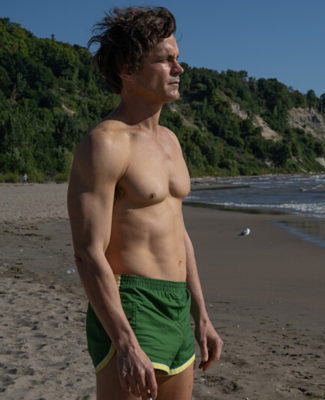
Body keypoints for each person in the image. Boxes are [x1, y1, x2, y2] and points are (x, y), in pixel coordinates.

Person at [67, 7, 223, 400]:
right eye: (165, 59)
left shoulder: (171, 141)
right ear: (128, 69)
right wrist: (125, 342)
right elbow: (88, 253)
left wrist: (200, 314)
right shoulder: (105, 143)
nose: (179, 68)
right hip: (131, 302)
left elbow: (178, 233)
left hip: (176, 305)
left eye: (177, 58)